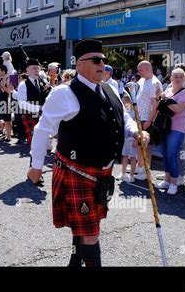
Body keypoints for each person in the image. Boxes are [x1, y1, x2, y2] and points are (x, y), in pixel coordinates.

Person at [27, 39, 148, 267]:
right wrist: (36, 166)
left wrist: (137, 133)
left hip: (102, 174)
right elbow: (42, 130)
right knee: (91, 233)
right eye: (96, 60)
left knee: (85, 225)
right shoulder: (63, 94)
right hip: (76, 171)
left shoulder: (110, 89)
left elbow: (125, 120)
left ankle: (75, 259)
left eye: (103, 60)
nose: (102, 64)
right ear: (80, 65)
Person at [154, 68, 185, 195]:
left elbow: (179, 109)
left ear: (184, 79)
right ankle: (167, 179)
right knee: (164, 153)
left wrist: (165, 100)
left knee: (171, 154)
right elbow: (160, 105)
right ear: (171, 78)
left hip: (178, 126)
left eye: (181, 76)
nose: (178, 78)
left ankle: (174, 183)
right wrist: (163, 99)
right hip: (165, 125)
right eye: (175, 76)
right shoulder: (168, 90)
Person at [134, 60, 162, 181]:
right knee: (142, 146)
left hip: (146, 118)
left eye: (140, 70)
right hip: (139, 117)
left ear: (147, 68)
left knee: (144, 146)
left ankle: (144, 170)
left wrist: (149, 121)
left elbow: (155, 105)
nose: (138, 72)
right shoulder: (142, 80)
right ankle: (143, 168)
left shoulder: (155, 83)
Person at [17, 58, 50, 145]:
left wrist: (48, 90)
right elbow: (22, 104)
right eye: (34, 68)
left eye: (38, 68)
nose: (36, 70)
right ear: (27, 71)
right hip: (30, 116)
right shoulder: (23, 85)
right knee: (35, 144)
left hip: (42, 117)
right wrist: (39, 108)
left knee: (44, 142)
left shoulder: (43, 82)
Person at [117, 94, 137, 183]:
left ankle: (132, 175)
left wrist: (136, 139)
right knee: (124, 156)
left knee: (132, 157)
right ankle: (124, 173)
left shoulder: (134, 110)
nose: (125, 102)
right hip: (125, 137)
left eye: (127, 100)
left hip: (132, 138)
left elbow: (134, 124)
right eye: (124, 101)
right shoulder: (123, 110)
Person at [0, 65, 14, 142]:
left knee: (7, 120)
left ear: (3, 71)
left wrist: (3, 86)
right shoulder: (1, 79)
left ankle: (9, 137)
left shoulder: (10, 77)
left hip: (8, 100)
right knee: (6, 120)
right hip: (2, 100)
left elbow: (10, 91)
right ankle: (8, 135)